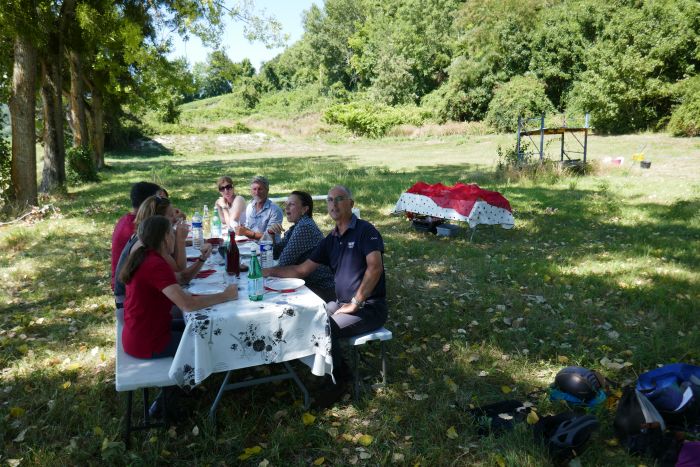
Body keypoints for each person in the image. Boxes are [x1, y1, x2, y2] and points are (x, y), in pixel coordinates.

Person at [263, 185, 387, 407]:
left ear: (351, 203)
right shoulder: (332, 238)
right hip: (340, 303)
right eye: (330, 200)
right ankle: (341, 372)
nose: (334, 204)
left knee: (323, 325)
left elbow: (375, 268)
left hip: (369, 307)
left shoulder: (366, 231)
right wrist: (267, 272)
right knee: (304, 318)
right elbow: (301, 270)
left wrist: (356, 302)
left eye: (340, 199)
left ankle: (338, 384)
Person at [119, 215, 237, 360]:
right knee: (214, 338)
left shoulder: (146, 255)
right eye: (173, 233)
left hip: (141, 332)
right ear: (165, 238)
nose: (175, 237)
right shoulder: (155, 264)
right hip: (148, 342)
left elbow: (181, 279)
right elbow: (187, 304)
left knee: (207, 327)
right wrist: (226, 296)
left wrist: (202, 259)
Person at [113, 195, 212, 319]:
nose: (175, 217)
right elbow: (181, 275)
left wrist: (175, 236)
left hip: (141, 307)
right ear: (158, 220)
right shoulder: (148, 247)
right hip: (130, 311)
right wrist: (180, 241)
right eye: (171, 215)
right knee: (201, 313)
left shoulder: (147, 237)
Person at [269, 191, 335, 302]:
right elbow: (275, 254)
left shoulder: (305, 227)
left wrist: (266, 271)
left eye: (292, 204)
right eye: (286, 204)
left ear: (305, 209)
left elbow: (283, 263)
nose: (287, 208)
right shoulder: (296, 227)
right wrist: (272, 235)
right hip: (308, 285)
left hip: (322, 289)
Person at [111, 181, 161, 290]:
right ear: (149, 202)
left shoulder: (128, 219)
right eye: (159, 199)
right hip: (126, 288)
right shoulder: (136, 228)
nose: (162, 203)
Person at [236, 175, 283, 240]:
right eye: (254, 189)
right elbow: (248, 227)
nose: (257, 192)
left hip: (268, 248)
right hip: (251, 245)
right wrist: (242, 229)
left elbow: (269, 238)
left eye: (260, 189)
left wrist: (246, 232)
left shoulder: (275, 210)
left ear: (267, 190)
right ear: (251, 191)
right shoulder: (250, 207)